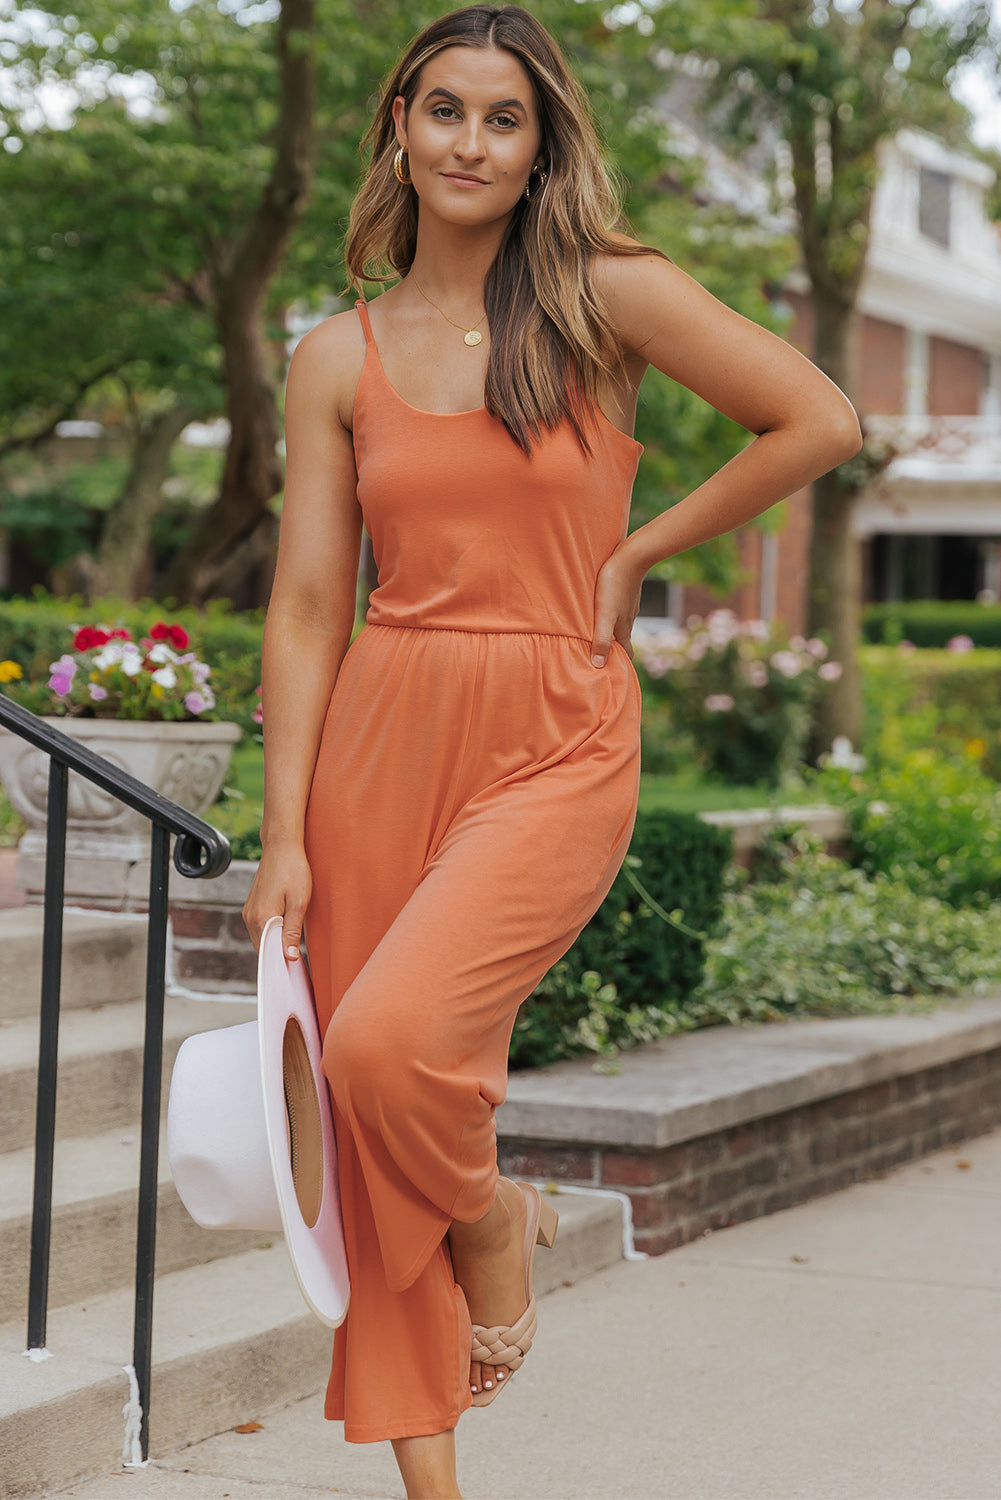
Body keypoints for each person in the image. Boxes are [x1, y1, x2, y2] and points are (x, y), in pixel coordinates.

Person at [242, 6, 862, 1497]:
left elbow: (815, 418)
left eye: (501, 118)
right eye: (442, 110)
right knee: (361, 1105)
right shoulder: (334, 356)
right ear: (399, 124)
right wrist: (282, 834)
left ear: (539, 146)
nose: (468, 141)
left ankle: (497, 1218)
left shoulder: (601, 296)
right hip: (380, 731)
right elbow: (310, 606)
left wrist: (641, 545)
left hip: (555, 727)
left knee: (398, 1055)